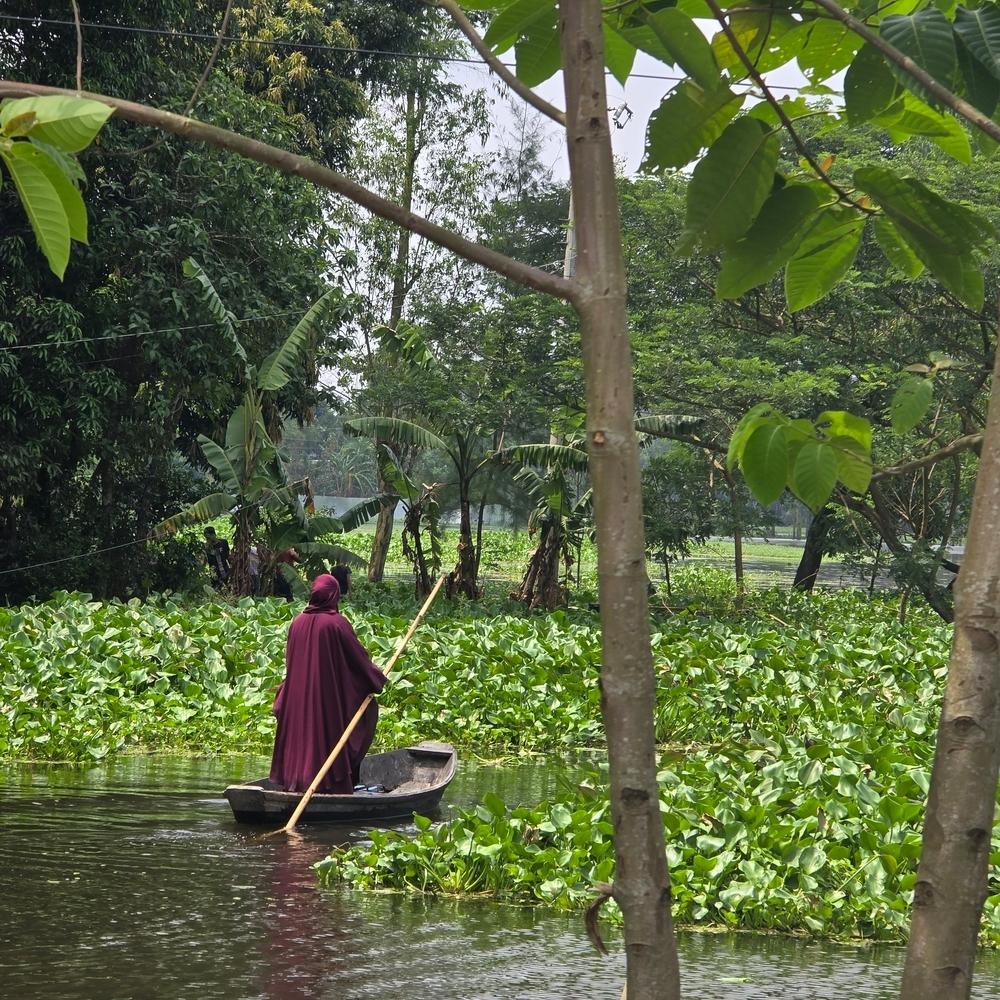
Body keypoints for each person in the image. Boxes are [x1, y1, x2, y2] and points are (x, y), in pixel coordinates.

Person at [269, 574, 386, 794]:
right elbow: (358, 659)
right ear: (334, 596)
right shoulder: (337, 624)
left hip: (296, 697)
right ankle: (330, 783)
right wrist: (376, 678)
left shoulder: (297, 623)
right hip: (325, 699)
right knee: (367, 710)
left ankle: (296, 781)